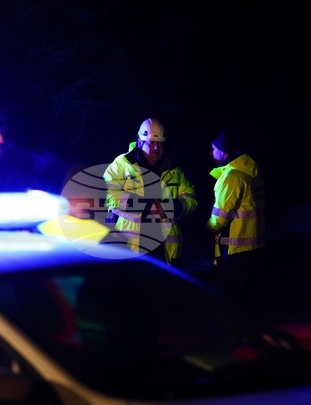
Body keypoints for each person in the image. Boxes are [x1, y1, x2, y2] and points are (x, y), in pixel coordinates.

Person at [103, 118, 197, 266]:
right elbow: (107, 192)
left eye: (160, 144)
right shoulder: (123, 164)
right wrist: (144, 205)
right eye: (151, 143)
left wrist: (169, 208)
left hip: (166, 252)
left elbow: (191, 200)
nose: (156, 148)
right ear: (140, 142)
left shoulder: (173, 170)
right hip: (130, 249)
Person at [206, 131, 266, 315]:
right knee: (249, 305)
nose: (210, 153)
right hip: (255, 247)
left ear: (223, 151)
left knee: (231, 306)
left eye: (213, 149)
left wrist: (207, 228)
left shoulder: (232, 177)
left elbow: (219, 219)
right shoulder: (252, 171)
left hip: (235, 250)